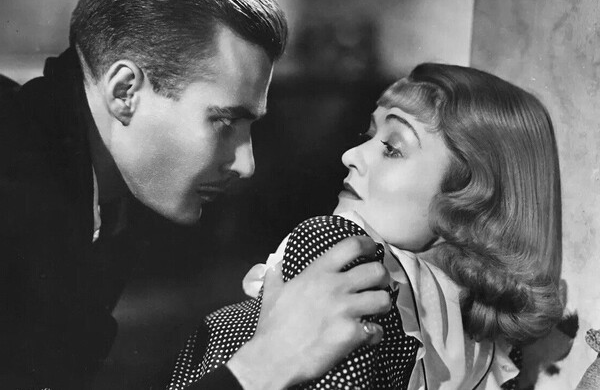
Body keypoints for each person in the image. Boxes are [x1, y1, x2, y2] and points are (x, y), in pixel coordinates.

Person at [0, 0, 391, 388]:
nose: (247, 165)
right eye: (224, 122)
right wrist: (265, 365)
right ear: (125, 92)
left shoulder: (98, 186)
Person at [171, 63, 565, 389]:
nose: (350, 155)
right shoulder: (491, 350)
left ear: (470, 202)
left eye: (393, 148)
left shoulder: (336, 247)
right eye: (369, 135)